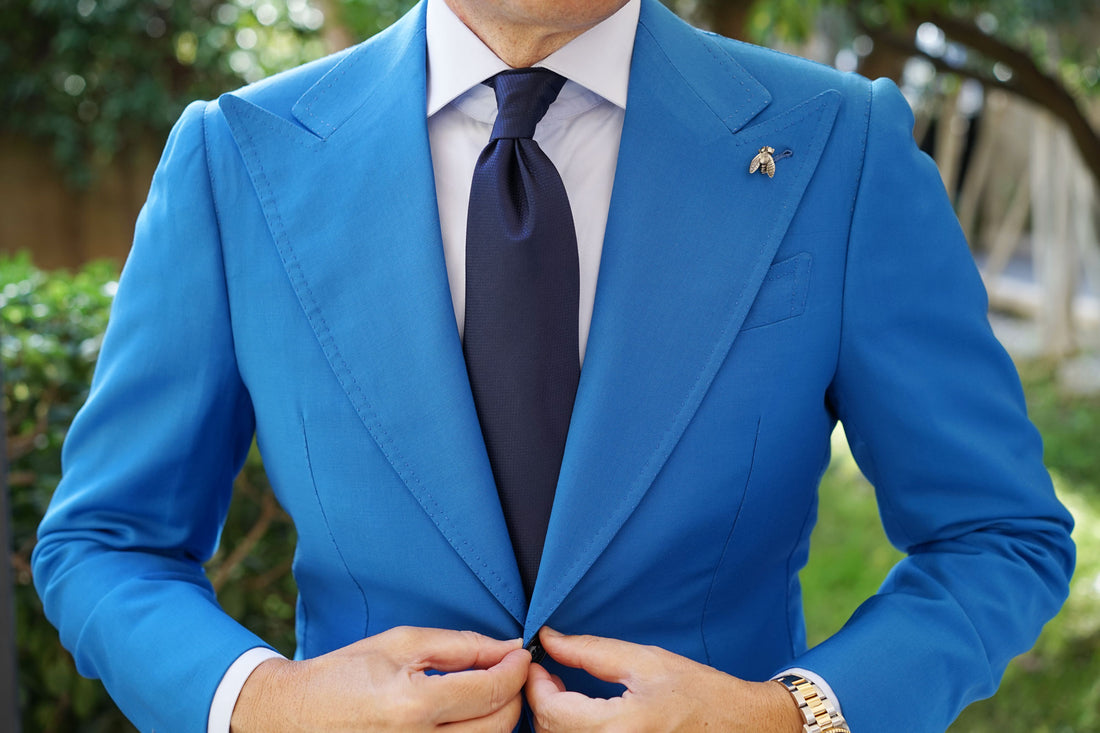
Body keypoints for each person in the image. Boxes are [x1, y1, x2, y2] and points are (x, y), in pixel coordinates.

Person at [32, 0, 1075, 731]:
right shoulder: (235, 158)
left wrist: (791, 716)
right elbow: (107, 542)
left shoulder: (840, 147)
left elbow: (997, 534)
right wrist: (265, 703)